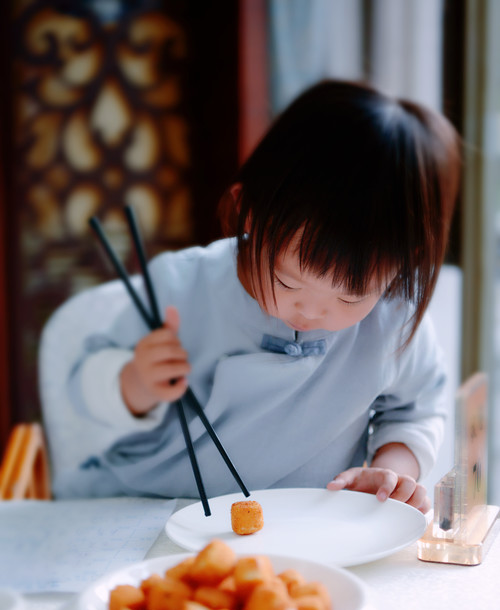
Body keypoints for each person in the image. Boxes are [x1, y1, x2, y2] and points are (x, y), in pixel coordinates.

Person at [58, 79, 461, 511]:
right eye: (288, 281)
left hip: (298, 528)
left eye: (350, 298)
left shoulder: (392, 317)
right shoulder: (182, 286)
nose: (311, 310)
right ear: (250, 212)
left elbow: (416, 409)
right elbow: (82, 388)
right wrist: (133, 381)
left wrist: (393, 471)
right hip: (147, 508)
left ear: (403, 263)